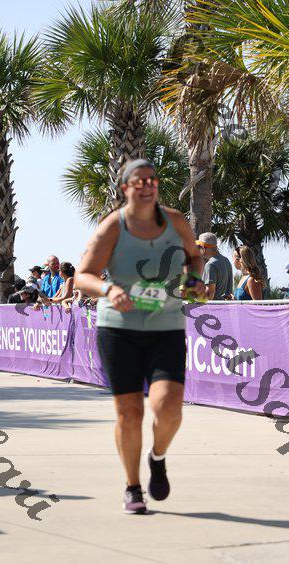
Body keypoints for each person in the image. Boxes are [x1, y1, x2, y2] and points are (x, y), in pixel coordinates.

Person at [75, 158, 205, 514]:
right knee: (129, 412)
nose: (147, 186)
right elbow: (83, 276)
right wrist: (108, 289)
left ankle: (157, 457)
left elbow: (194, 258)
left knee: (168, 407)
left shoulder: (176, 221)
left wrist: (194, 280)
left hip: (166, 326)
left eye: (152, 180)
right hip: (119, 328)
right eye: (139, 181)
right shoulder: (112, 227)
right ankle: (132, 487)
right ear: (125, 188)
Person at [196, 232, 233, 300]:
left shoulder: (210, 264)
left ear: (203, 247)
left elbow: (210, 294)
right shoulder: (226, 261)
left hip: (214, 306)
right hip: (226, 305)